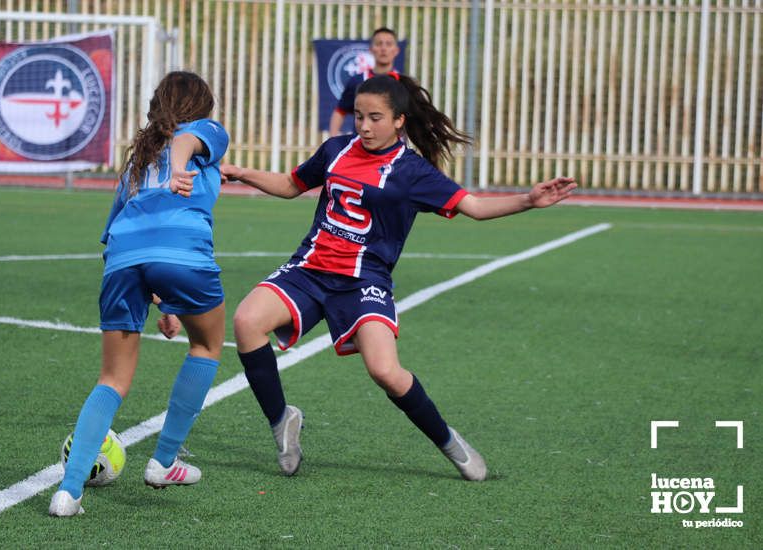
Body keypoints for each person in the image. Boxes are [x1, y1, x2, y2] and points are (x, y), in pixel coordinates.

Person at [222, 74, 576, 481]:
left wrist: (530, 200)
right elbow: (289, 185)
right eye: (358, 116)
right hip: (310, 268)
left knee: (385, 371)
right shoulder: (336, 150)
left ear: (399, 121)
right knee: (247, 322)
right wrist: (241, 171)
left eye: (375, 117)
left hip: (364, 281)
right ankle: (282, 421)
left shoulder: (412, 172)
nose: (365, 126)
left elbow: (474, 207)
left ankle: (448, 441)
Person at [50, 71, 230, 516]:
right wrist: (182, 168)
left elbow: (116, 239)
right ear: (201, 109)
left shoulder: (136, 161)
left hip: (124, 262)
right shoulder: (204, 134)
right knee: (207, 345)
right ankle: (163, 462)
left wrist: (161, 299)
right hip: (183, 254)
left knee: (112, 379)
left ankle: (67, 492)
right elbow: (188, 142)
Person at [328, 27, 401, 137]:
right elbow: (340, 111)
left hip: (393, 148)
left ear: (396, 50)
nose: (383, 48)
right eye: (379, 44)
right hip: (361, 146)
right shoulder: (357, 80)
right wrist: (332, 139)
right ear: (371, 49)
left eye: (388, 44)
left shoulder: (403, 83)